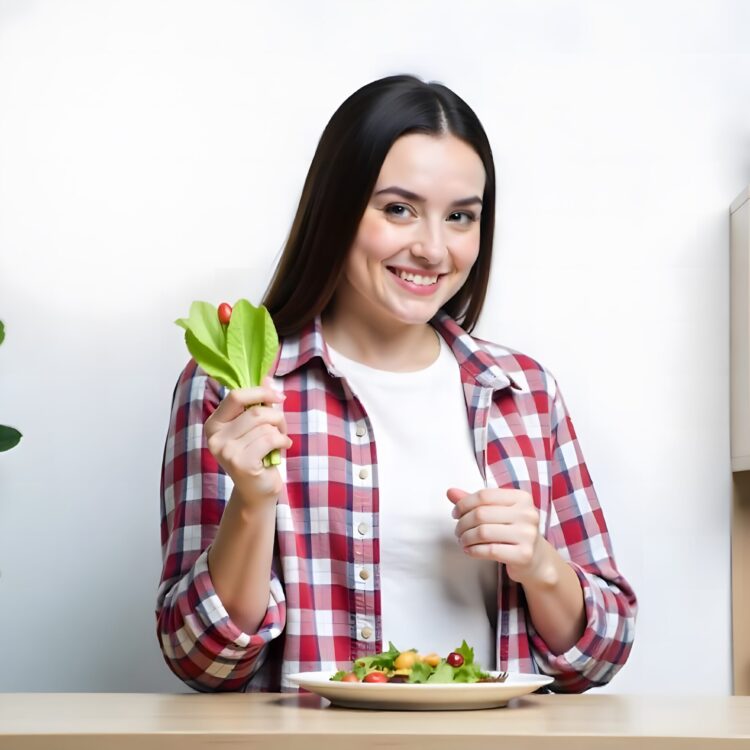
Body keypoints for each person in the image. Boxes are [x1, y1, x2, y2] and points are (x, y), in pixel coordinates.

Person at [156, 74, 637, 693]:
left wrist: (539, 564)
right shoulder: (236, 383)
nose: (434, 249)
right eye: (399, 209)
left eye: (461, 217)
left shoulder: (524, 391)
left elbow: (604, 653)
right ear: (337, 208)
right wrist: (252, 502)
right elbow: (202, 662)